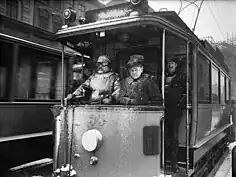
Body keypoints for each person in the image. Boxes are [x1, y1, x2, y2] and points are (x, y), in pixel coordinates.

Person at [164, 56, 187, 173]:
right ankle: (161, 160)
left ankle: (174, 163)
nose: (169, 65)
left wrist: (179, 105)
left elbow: (186, 94)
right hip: (163, 110)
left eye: (172, 63)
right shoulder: (162, 77)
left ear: (176, 65)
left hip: (175, 112)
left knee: (173, 137)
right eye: (168, 63)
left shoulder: (181, 78)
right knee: (162, 135)